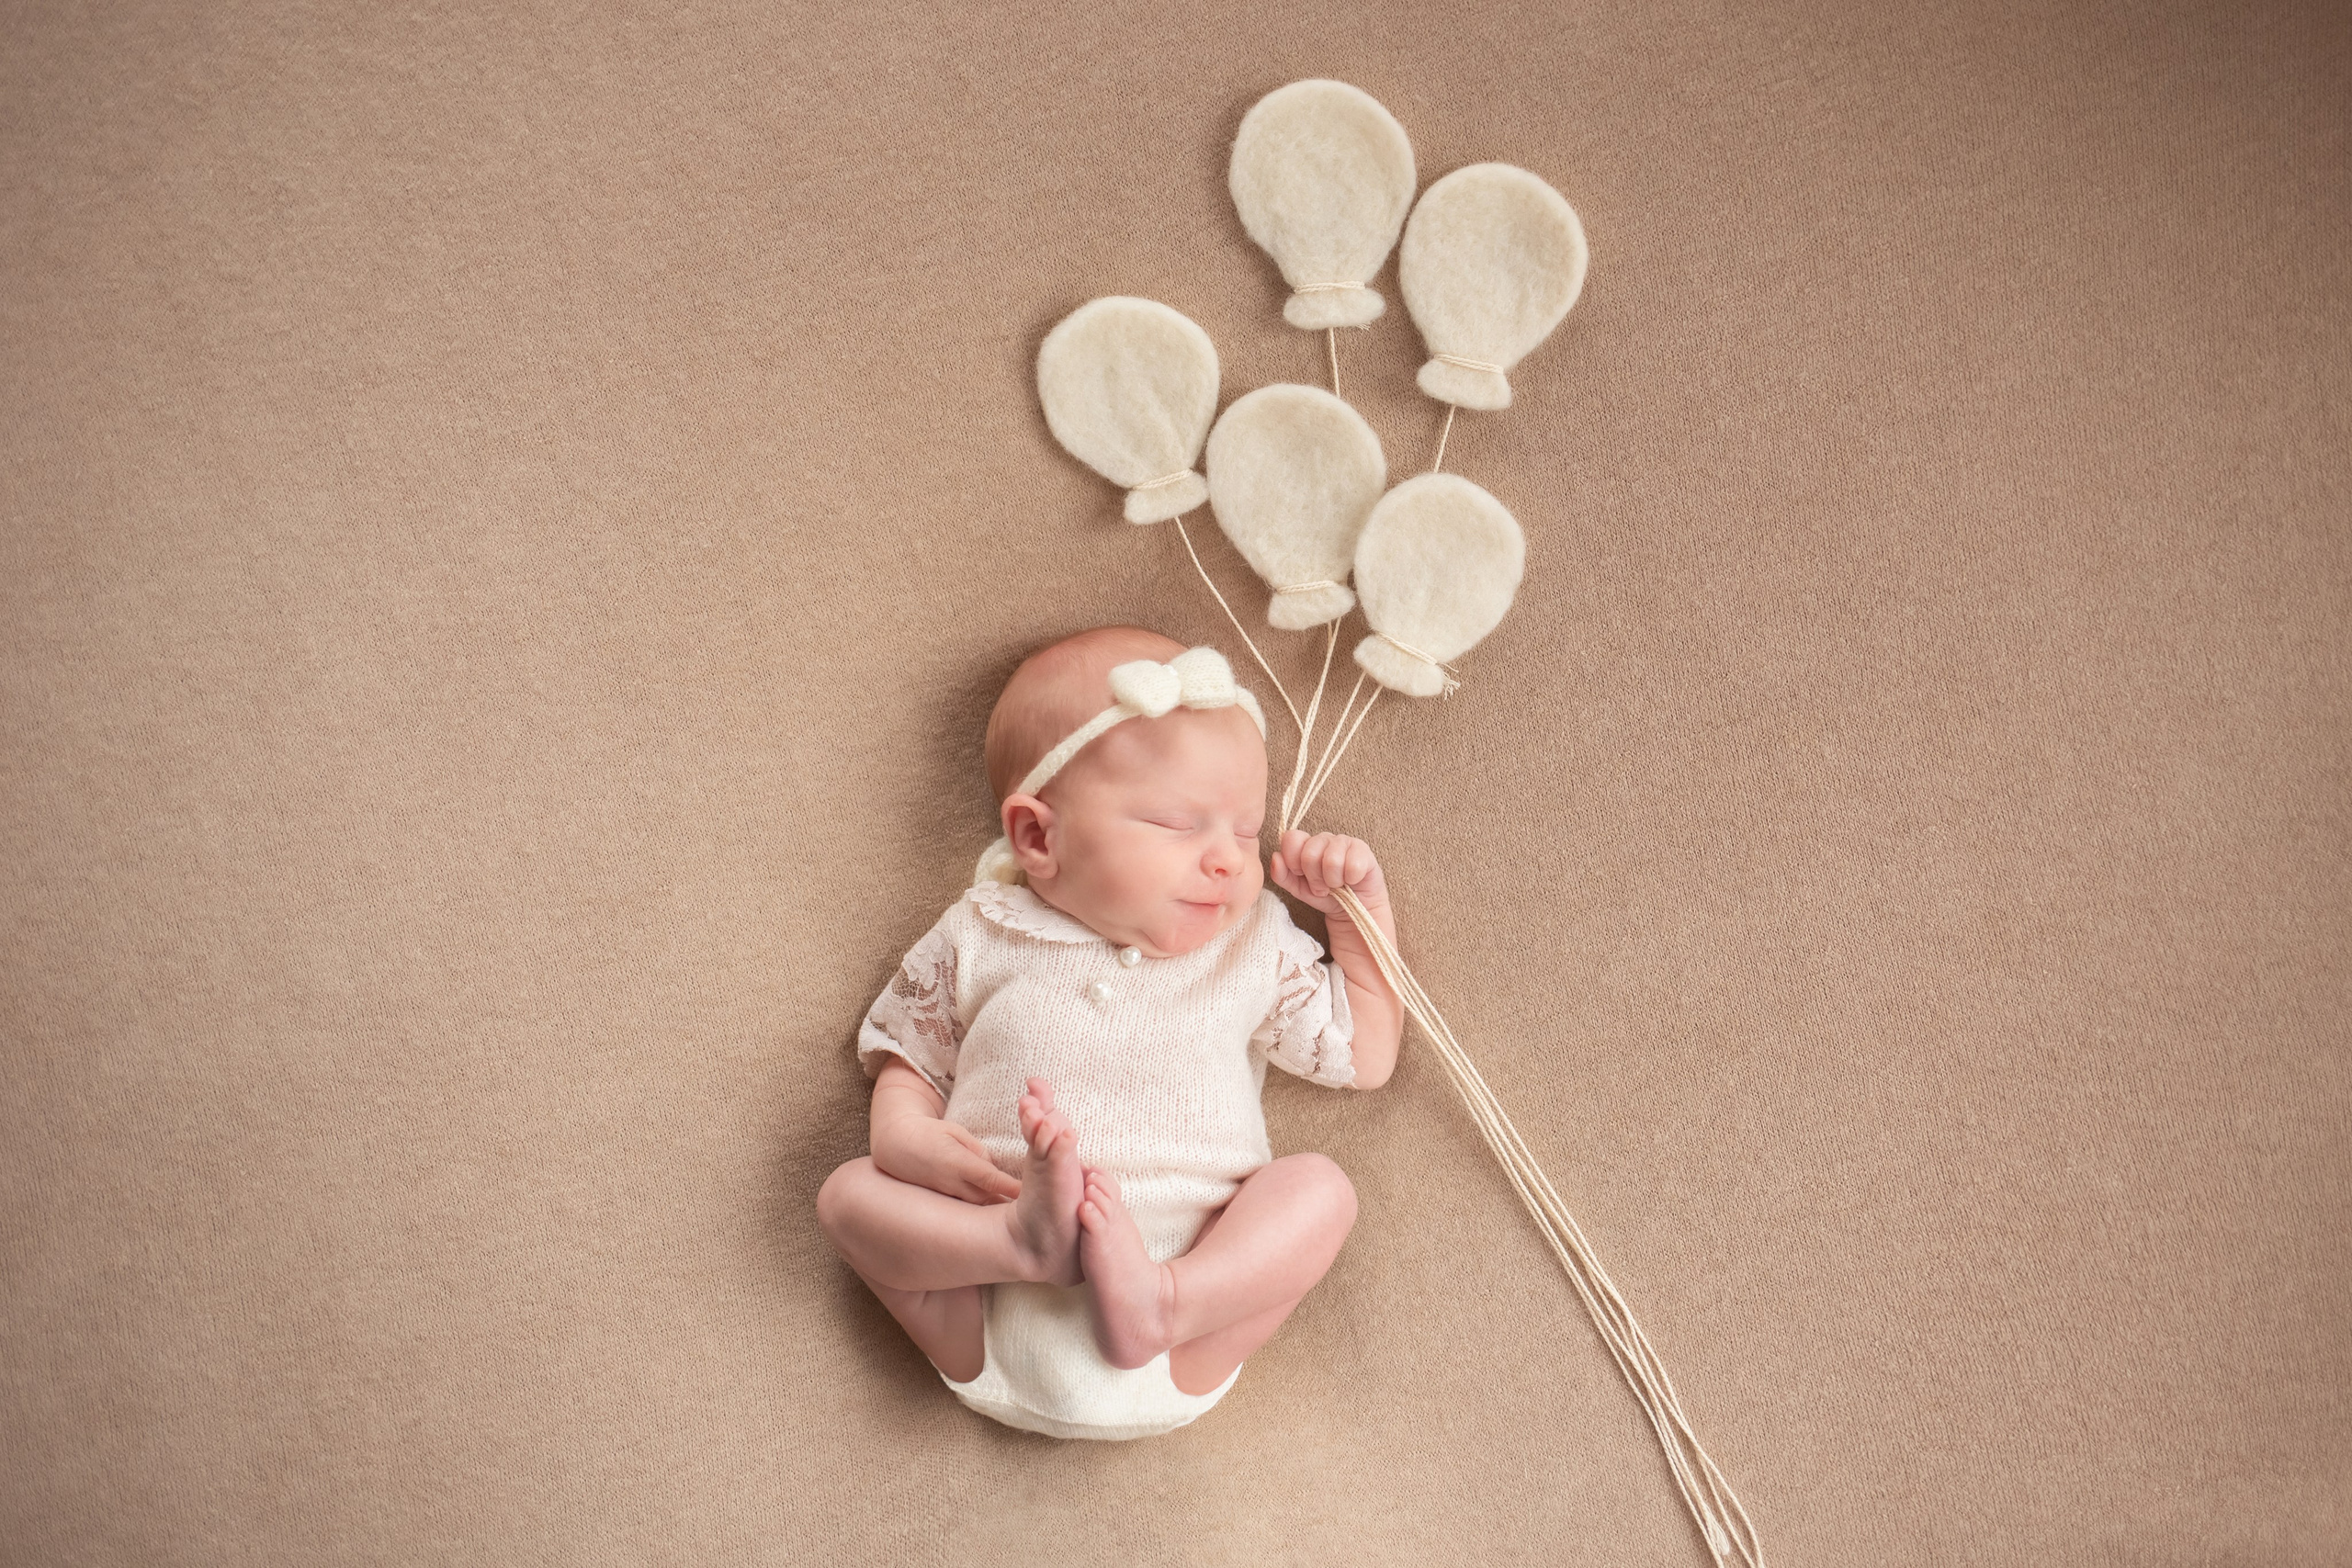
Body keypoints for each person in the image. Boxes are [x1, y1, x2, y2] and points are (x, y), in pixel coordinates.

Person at [815, 625, 1407, 1439]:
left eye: (1244, 829)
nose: (1230, 861)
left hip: (1178, 1338)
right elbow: (912, 1055)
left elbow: (1364, 1053)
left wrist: (1357, 913)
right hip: (979, 1301)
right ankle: (1023, 1246)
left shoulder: (1252, 943)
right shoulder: (984, 928)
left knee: (1320, 1193)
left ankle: (1167, 1297)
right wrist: (904, 1134)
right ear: (1037, 837)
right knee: (849, 1194)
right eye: (1176, 823)